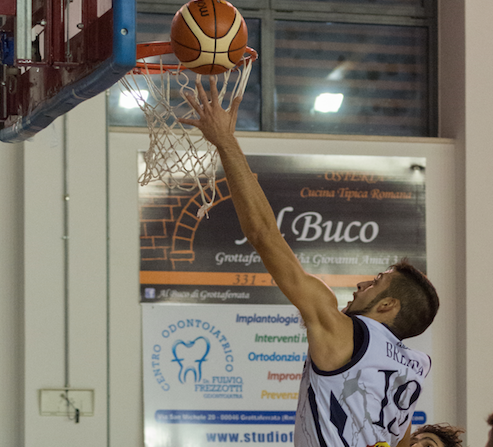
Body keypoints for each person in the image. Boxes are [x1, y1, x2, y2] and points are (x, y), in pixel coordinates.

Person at [180, 78, 440, 447]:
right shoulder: (415, 370)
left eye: (375, 282)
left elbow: (264, 235)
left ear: (388, 305)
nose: (361, 285)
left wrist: (225, 142)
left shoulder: (342, 332)